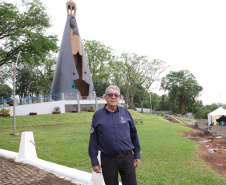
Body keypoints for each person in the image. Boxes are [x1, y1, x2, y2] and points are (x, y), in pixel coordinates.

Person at [88, 85, 141, 185]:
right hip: (108, 160)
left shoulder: (126, 113)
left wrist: (137, 153)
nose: (113, 97)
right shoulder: (98, 115)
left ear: (119, 98)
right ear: (105, 97)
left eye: (116, 95)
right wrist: (94, 160)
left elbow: (133, 134)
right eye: (110, 94)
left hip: (127, 158)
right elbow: (93, 139)